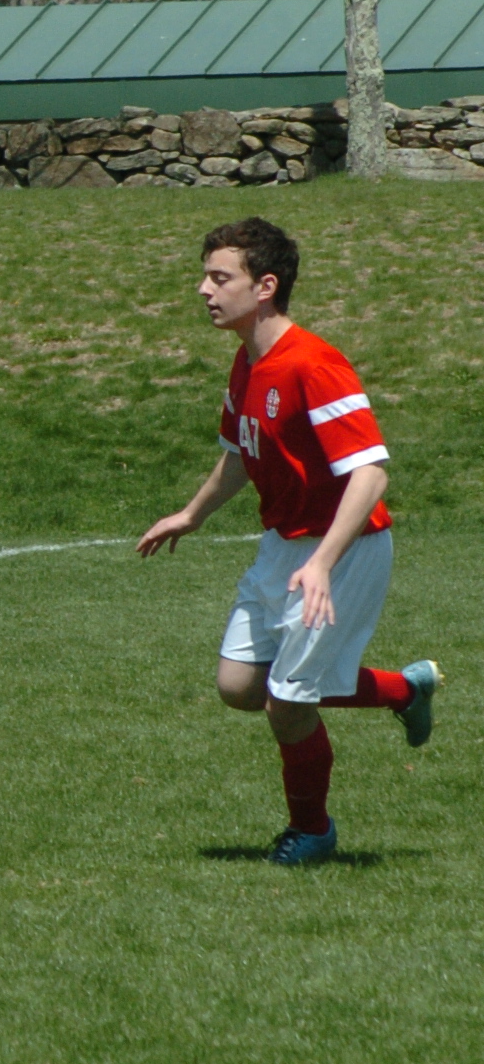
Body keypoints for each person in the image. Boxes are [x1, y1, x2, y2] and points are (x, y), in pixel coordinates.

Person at [137, 216, 438, 865]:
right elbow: (238, 455)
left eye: (220, 278)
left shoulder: (313, 363)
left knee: (287, 705)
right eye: (206, 277)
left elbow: (371, 473)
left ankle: (312, 831)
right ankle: (404, 690)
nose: (204, 290)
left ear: (265, 286)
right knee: (240, 687)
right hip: (284, 546)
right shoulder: (247, 362)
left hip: (344, 550)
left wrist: (324, 562)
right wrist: (191, 515)